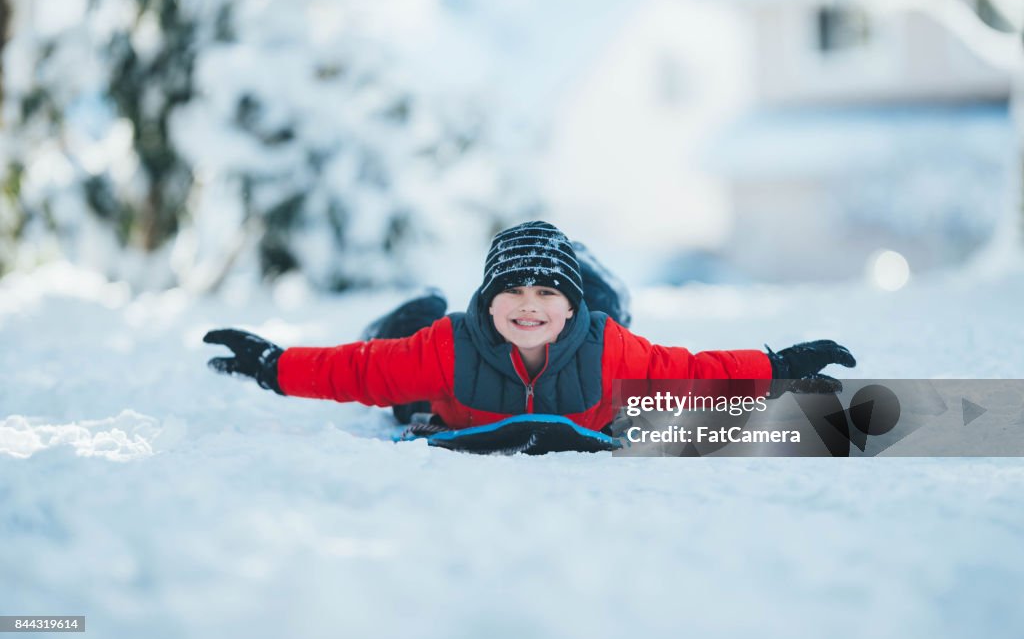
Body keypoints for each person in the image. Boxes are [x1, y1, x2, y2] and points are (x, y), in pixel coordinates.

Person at [204, 221, 855, 433]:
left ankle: (571, 260)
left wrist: (774, 367)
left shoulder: (607, 345)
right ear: (486, 302)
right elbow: (358, 372)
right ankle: (412, 308)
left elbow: (685, 370)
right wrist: (274, 365)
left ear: (571, 307)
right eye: (510, 292)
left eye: (545, 293)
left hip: (594, 329)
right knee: (402, 345)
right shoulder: (446, 346)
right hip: (433, 390)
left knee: (607, 305)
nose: (527, 304)